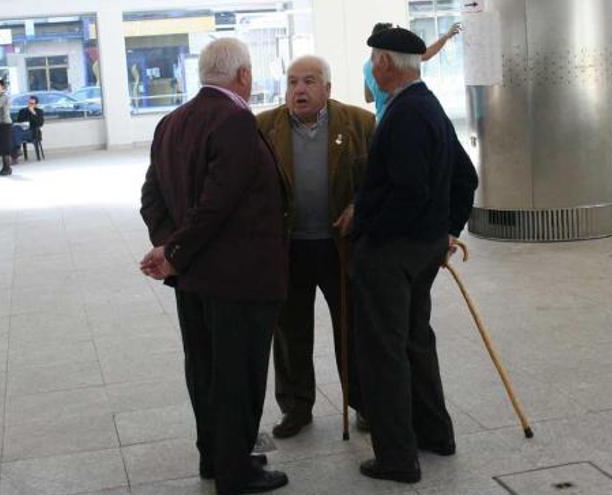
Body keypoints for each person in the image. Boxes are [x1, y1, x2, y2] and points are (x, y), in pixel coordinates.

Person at [139, 38, 290, 495]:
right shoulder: (236, 120)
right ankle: (236, 471)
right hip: (239, 279)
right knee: (238, 374)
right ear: (243, 75)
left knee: (205, 370)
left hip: (193, 280)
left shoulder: (171, 121)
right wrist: (176, 252)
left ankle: (217, 454)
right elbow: (217, 205)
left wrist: (170, 249)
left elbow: (152, 198)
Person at [352, 27, 478, 484]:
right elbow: (466, 177)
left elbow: (409, 191)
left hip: (393, 255)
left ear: (384, 64)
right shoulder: (428, 106)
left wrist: (370, 234)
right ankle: (434, 433)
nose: (371, 69)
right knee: (414, 341)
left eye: (372, 61)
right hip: (422, 250)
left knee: (384, 352)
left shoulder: (405, 114)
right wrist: (445, 231)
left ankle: (397, 458)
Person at [255, 56, 374, 439]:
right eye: (292, 82)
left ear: (328, 88)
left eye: (308, 81)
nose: (299, 89)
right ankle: (295, 406)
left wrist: (359, 206)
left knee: (351, 328)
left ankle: (363, 403)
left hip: (339, 247)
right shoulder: (263, 127)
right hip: (289, 248)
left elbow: (379, 181)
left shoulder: (359, 123)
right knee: (289, 332)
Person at [364, 22, 462, 122]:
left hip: (381, 119)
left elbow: (368, 97)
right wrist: (446, 36)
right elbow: (426, 54)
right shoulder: (397, 61)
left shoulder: (366, 67)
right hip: (400, 118)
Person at [12, 96, 45, 163]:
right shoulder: (23, 111)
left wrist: (33, 113)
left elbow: (40, 123)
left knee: (14, 135)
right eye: (29, 103)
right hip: (21, 130)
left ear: (36, 104)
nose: (30, 105)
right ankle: (16, 151)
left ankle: (15, 152)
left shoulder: (39, 112)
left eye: (32, 103)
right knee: (14, 130)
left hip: (32, 132)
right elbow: (19, 121)